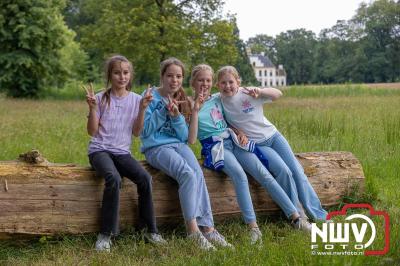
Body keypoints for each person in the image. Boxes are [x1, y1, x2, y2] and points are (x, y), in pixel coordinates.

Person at [188, 65, 312, 244]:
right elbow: (192, 139)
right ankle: (253, 228)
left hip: (234, 141)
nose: (204, 84)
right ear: (193, 83)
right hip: (215, 147)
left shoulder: (217, 98)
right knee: (239, 175)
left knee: (263, 173)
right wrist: (195, 111)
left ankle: (296, 218)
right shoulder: (189, 105)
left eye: (207, 80)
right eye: (200, 80)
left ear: (212, 83)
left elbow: (226, 121)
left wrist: (239, 131)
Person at [140, 58, 231, 251]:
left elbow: (184, 137)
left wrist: (175, 117)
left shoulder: (181, 97)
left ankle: (208, 227)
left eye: (179, 76)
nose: (174, 80)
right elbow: (145, 132)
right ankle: (193, 231)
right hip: (156, 148)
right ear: (162, 77)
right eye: (170, 76)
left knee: (197, 173)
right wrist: (162, 113)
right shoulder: (150, 96)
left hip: (178, 145)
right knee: (187, 174)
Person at [216, 66, 328, 222]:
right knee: (284, 171)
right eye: (223, 83)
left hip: (274, 137)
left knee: (296, 170)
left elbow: (278, 94)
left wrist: (261, 92)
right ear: (218, 85)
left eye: (231, 82)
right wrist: (237, 131)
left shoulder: (248, 93)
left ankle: (318, 214)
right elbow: (222, 121)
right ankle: (298, 214)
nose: (227, 86)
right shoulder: (218, 100)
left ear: (238, 82)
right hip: (258, 145)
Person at [85, 55, 165, 252]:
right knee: (113, 178)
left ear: (130, 75)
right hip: (100, 150)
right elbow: (92, 132)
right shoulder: (100, 98)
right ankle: (106, 234)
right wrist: (93, 109)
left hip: (122, 152)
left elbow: (137, 132)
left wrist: (143, 109)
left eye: (126, 73)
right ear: (110, 75)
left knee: (145, 178)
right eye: (117, 73)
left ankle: (150, 230)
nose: (122, 77)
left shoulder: (137, 100)